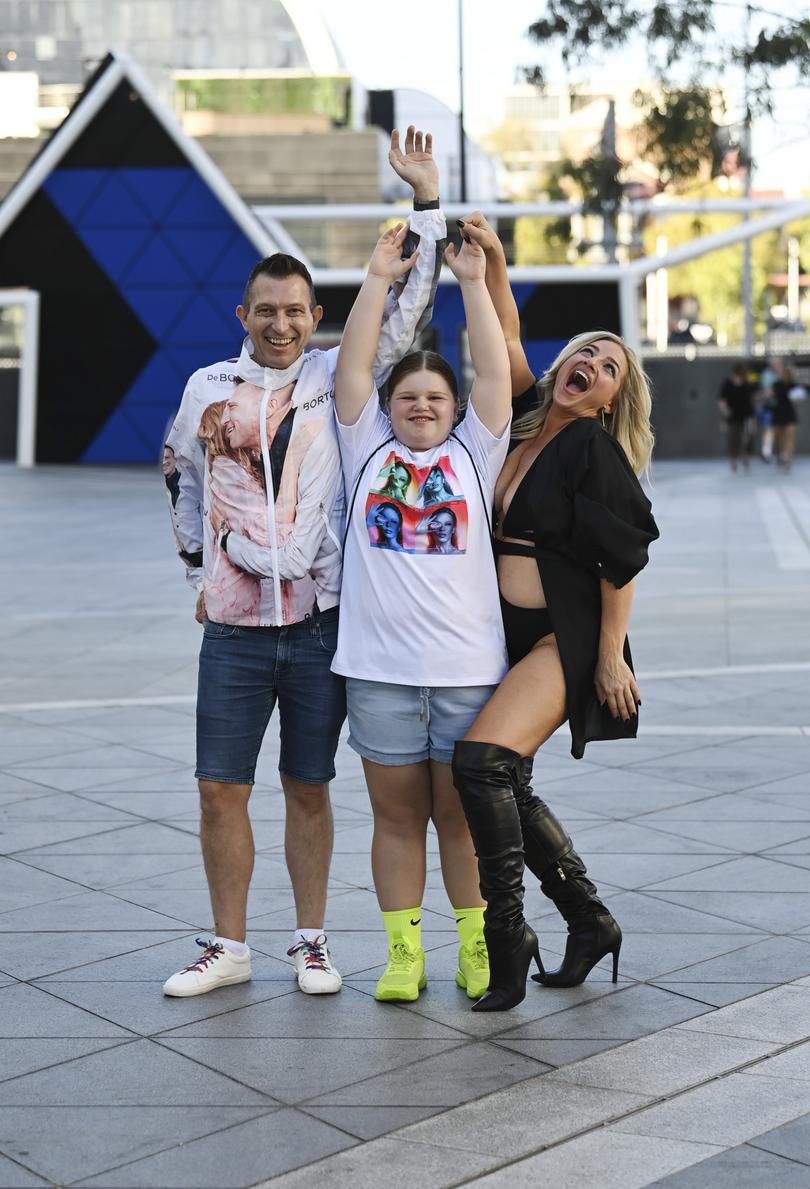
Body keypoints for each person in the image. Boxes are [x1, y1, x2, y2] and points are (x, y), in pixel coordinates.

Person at [160, 127, 445, 998]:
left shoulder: (336, 377)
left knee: (309, 787)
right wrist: (201, 572)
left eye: (295, 310)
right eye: (265, 310)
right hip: (237, 633)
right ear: (242, 315)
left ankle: (311, 942)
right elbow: (179, 473)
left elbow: (408, 310)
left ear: (314, 317)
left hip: (323, 625)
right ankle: (228, 945)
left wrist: (425, 204)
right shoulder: (207, 388)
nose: (280, 323)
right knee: (219, 790)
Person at [448, 213, 659, 1011]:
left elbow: (624, 558)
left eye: (608, 368)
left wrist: (608, 657)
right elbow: (505, 337)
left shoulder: (591, 450)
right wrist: (496, 261)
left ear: (610, 402)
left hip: (563, 638)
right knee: (514, 783)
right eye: (586, 353)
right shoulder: (532, 419)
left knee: (482, 764)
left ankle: (510, 940)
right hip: (503, 635)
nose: (591, 366)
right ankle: (590, 918)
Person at [331, 220, 513, 1003]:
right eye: (408, 396)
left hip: (470, 676)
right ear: (388, 406)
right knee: (396, 817)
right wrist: (378, 276)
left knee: (460, 821)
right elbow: (352, 367)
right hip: (380, 676)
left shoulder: (476, 450)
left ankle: (476, 947)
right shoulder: (363, 445)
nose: (422, 406)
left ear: (455, 407)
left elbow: (498, 377)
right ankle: (405, 954)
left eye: (437, 396)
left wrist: (474, 282)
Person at [718, 363, 755, 471]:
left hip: (747, 415)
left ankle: (746, 457)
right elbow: (722, 400)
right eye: (738, 375)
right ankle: (733, 460)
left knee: (749, 436)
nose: (739, 377)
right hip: (732, 416)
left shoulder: (746, 384)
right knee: (733, 438)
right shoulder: (727, 383)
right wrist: (725, 412)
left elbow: (751, 398)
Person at [771, 366, 800, 470]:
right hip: (778, 413)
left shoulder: (794, 385)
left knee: (789, 435)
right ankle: (781, 454)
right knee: (779, 437)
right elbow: (776, 394)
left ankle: (788, 457)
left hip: (790, 413)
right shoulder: (777, 385)